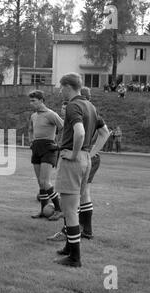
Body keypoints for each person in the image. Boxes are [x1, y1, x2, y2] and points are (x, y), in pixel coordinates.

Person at [47, 86, 110, 242]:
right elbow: (105, 132)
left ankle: (69, 231)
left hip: (82, 157)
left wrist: (86, 153)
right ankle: (86, 230)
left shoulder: (80, 113)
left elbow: (82, 134)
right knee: (84, 194)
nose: (64, 107)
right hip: (89, 157)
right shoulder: (93, 112)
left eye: (65, 104)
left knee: (71, 197)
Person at [54, 73, 99, 268]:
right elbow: (102, 131)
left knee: (69, 210)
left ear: (68, 87)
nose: (60, 91)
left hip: (74, 159)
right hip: (87, 158)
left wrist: (72, 154)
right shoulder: (90, 105)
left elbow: (79, 132)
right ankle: (68, 247)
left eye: (61, 87)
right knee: (76, 205)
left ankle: (75, 258)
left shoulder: (73, 105)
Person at [28, 90, 64, 221]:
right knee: (40, 183)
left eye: (34, 101)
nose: (31, 103)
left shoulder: (51, 114)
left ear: (41, 100)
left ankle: (59, 209)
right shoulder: (33, 116)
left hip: (49, 148)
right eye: (30, 101)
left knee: (45, 181)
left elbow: (64, 127)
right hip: (36, 147)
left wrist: (58, 143)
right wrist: (31, 140)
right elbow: (30, 129)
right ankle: (43, 211)